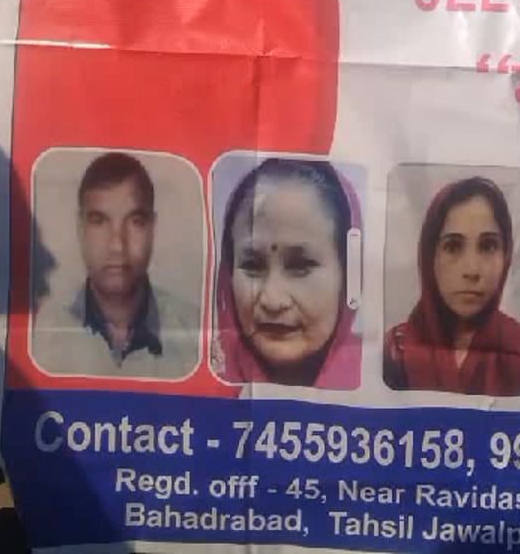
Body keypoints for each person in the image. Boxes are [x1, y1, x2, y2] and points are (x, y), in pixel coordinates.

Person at [31, 151, 201, 378]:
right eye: (99, 221)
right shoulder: (40, 336)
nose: (117, 246)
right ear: (80, 229)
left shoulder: (198, 335)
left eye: (135, 222)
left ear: (152, 228)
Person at [382, 176, 520, 396]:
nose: (472, 270)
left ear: (506, 255)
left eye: (488, 246)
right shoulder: (396, 349)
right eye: (452, 247)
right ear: (430, 256)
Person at [210, 156, 363, 389]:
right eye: (252, 266)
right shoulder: (203, 376)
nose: (273, 300)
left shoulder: (381, 376)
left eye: (300, 266)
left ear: (347, 273)